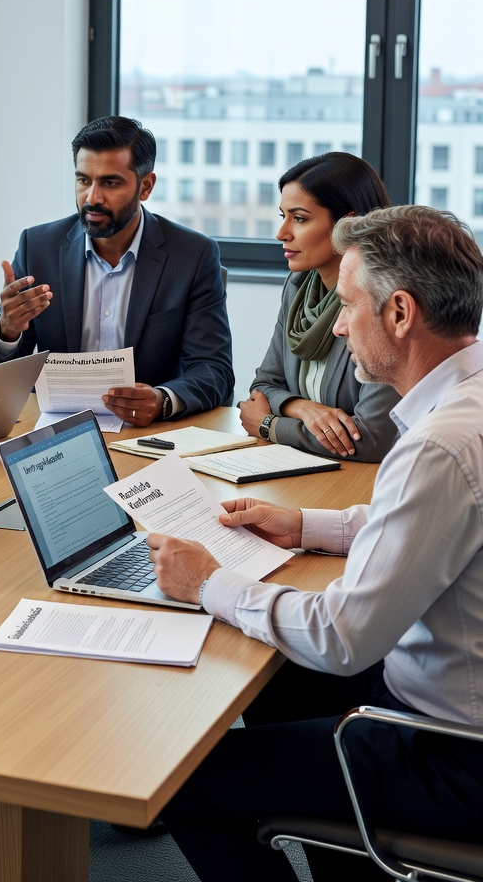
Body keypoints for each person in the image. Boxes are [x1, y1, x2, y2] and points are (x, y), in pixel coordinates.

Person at [144, 205, 483, 881]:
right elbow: (427, 530)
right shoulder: (465, 407)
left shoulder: (440, 448)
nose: (336, 325)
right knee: (273, 685)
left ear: (399, 314)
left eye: (348, 305)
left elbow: (342, 637)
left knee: (190, 780)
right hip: (449, 701)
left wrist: (208, 582)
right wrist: (301, 526)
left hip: (452, 754)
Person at [0, 115, 234, 425]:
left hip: (148, 435)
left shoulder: (192, 255)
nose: (93, 198)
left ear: (145, 186)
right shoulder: (38, 246)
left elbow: (214, 369)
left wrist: (162, 399)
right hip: (60, 431)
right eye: (84, 180)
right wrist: (7, 329)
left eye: (110, 183)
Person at [239, 152, 399, 460]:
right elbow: (263, 385)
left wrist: (270, 425)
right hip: (306, 468)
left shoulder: (383, 300)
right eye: (282, 216)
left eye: (299, 219)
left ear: (348, 224)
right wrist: (302, 407)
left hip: (365, 484)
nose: (281, 233)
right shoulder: (299, 286)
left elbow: (371, 437)